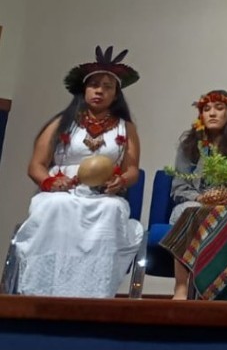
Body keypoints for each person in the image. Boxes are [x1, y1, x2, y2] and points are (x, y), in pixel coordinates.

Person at [13, 46, 143, 297]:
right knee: (54, 206)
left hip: (103, 195)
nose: (99, 90)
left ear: (116, 94)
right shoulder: (61, 123)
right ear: (84, 90)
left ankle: (94, 291)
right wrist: (50, 182)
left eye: (107, 86)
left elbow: (132, 170)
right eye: (94, 85)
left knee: (111, 210)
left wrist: (121, 180)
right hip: (63, 191)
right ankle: (43, 289)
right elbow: (36, 166)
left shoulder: (126, 128)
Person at [169, 89, 227, 299]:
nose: (212, 113)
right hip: (197, 204)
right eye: (206, 109)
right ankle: (181, 286)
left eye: (219, 108)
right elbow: (179, 188)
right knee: (187, 211)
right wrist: (201, 198)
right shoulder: (189, 147)